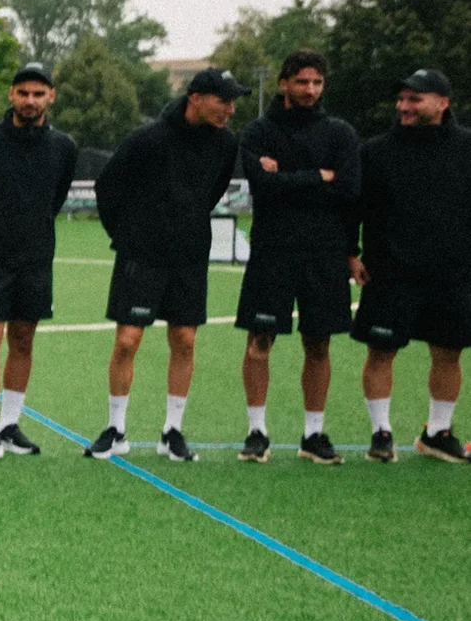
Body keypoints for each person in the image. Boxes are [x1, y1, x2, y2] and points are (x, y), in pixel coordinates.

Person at [89, 68, 245, 462]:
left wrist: (187, 224)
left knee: (185, 341)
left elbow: (211, 193)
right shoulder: (147, 139)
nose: (230, 108)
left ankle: (172, 432)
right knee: (128, 340)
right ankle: (116, 429)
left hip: (189, 256)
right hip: (141, 255)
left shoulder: (226, 144)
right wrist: (127, 238)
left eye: (233, 101)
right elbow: (108, 187)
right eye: (223, 100)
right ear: (196, 97)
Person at [234, 50, 361, 464]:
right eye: (302, 82)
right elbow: (262, 188)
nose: (310, 90)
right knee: (260, 340)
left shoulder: (340, 133)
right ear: (284, 83)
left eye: (317, 82)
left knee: (319, 343)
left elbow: (346, 192)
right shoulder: (257, 132)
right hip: (272, 250)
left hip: (324, 253)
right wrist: (317, 177)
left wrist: (285, 178)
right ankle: (256, 432)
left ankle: (313, 435)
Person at [0, 64, 76, 461]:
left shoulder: (64, 148)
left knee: (23, 338)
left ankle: (10, 425)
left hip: (36, 258)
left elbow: (54, 198)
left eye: (38, 94)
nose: (30, 101)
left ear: (51, 97)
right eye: (23, 93)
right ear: (11, 95)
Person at [352, 68, 470, 464]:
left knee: (449, 353)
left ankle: (437, 433)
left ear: (443, 103)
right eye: (401, 99)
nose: (403, 106)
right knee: (381, 350)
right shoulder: (375, 151)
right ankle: (381, 433)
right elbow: (354, 207)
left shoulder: (467, 148)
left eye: (414, 99)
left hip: (452, 272)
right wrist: (351, 252)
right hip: (390, 269)